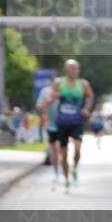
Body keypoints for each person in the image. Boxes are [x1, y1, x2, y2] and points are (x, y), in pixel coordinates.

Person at [46, 60, 95, 191]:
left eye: (76, 68)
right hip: (62, 122)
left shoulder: (83, 84)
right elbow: (51, 96)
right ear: (66, 69)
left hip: (77, 121)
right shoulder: (58, 82)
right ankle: (66, 179)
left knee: (78, 149)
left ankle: (75, 168)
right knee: (64, 153)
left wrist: (86, 108)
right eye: (72, 68)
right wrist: (54, 96)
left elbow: (90, 96)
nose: (75, 70)